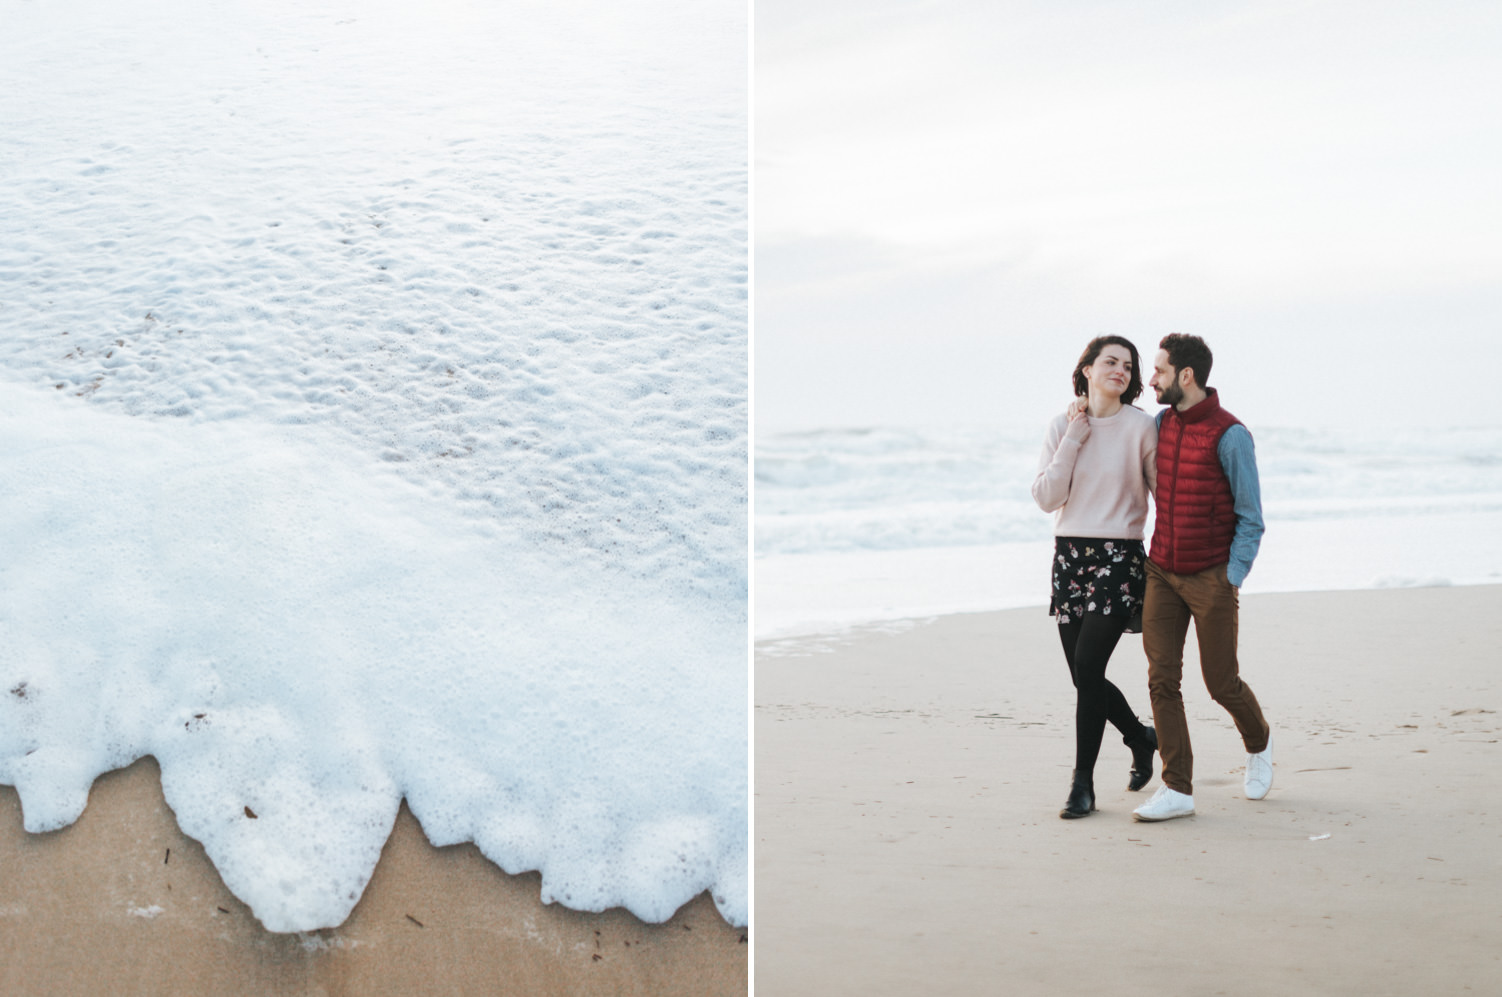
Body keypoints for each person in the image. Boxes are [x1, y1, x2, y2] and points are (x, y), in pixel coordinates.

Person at [1132, 333, 1272, 822]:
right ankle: (1178, 788)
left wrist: (1231, 577)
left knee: (1221, 682)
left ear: (1185, 376)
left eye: (1160, 371)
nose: (1151, 379)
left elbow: (1251, 516)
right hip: (1161, 572)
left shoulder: (1231, 435)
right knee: (1161, 679)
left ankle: (1258, 744)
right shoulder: (1160, 423)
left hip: (1211, 577)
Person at [1032, 336, 1160, 820]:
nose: (1121, 371)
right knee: (1082, 675)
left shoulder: (1141, 428)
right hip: (1069, 555)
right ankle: (1139, 737)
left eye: (1128, 366)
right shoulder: (1061, 426)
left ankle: (1081, 784)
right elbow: (1047, 498)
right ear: (1086, 369)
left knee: (1088, 670)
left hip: (1119, 554)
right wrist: (1073, 436)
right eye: (1110, 361)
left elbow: (1160, 495)